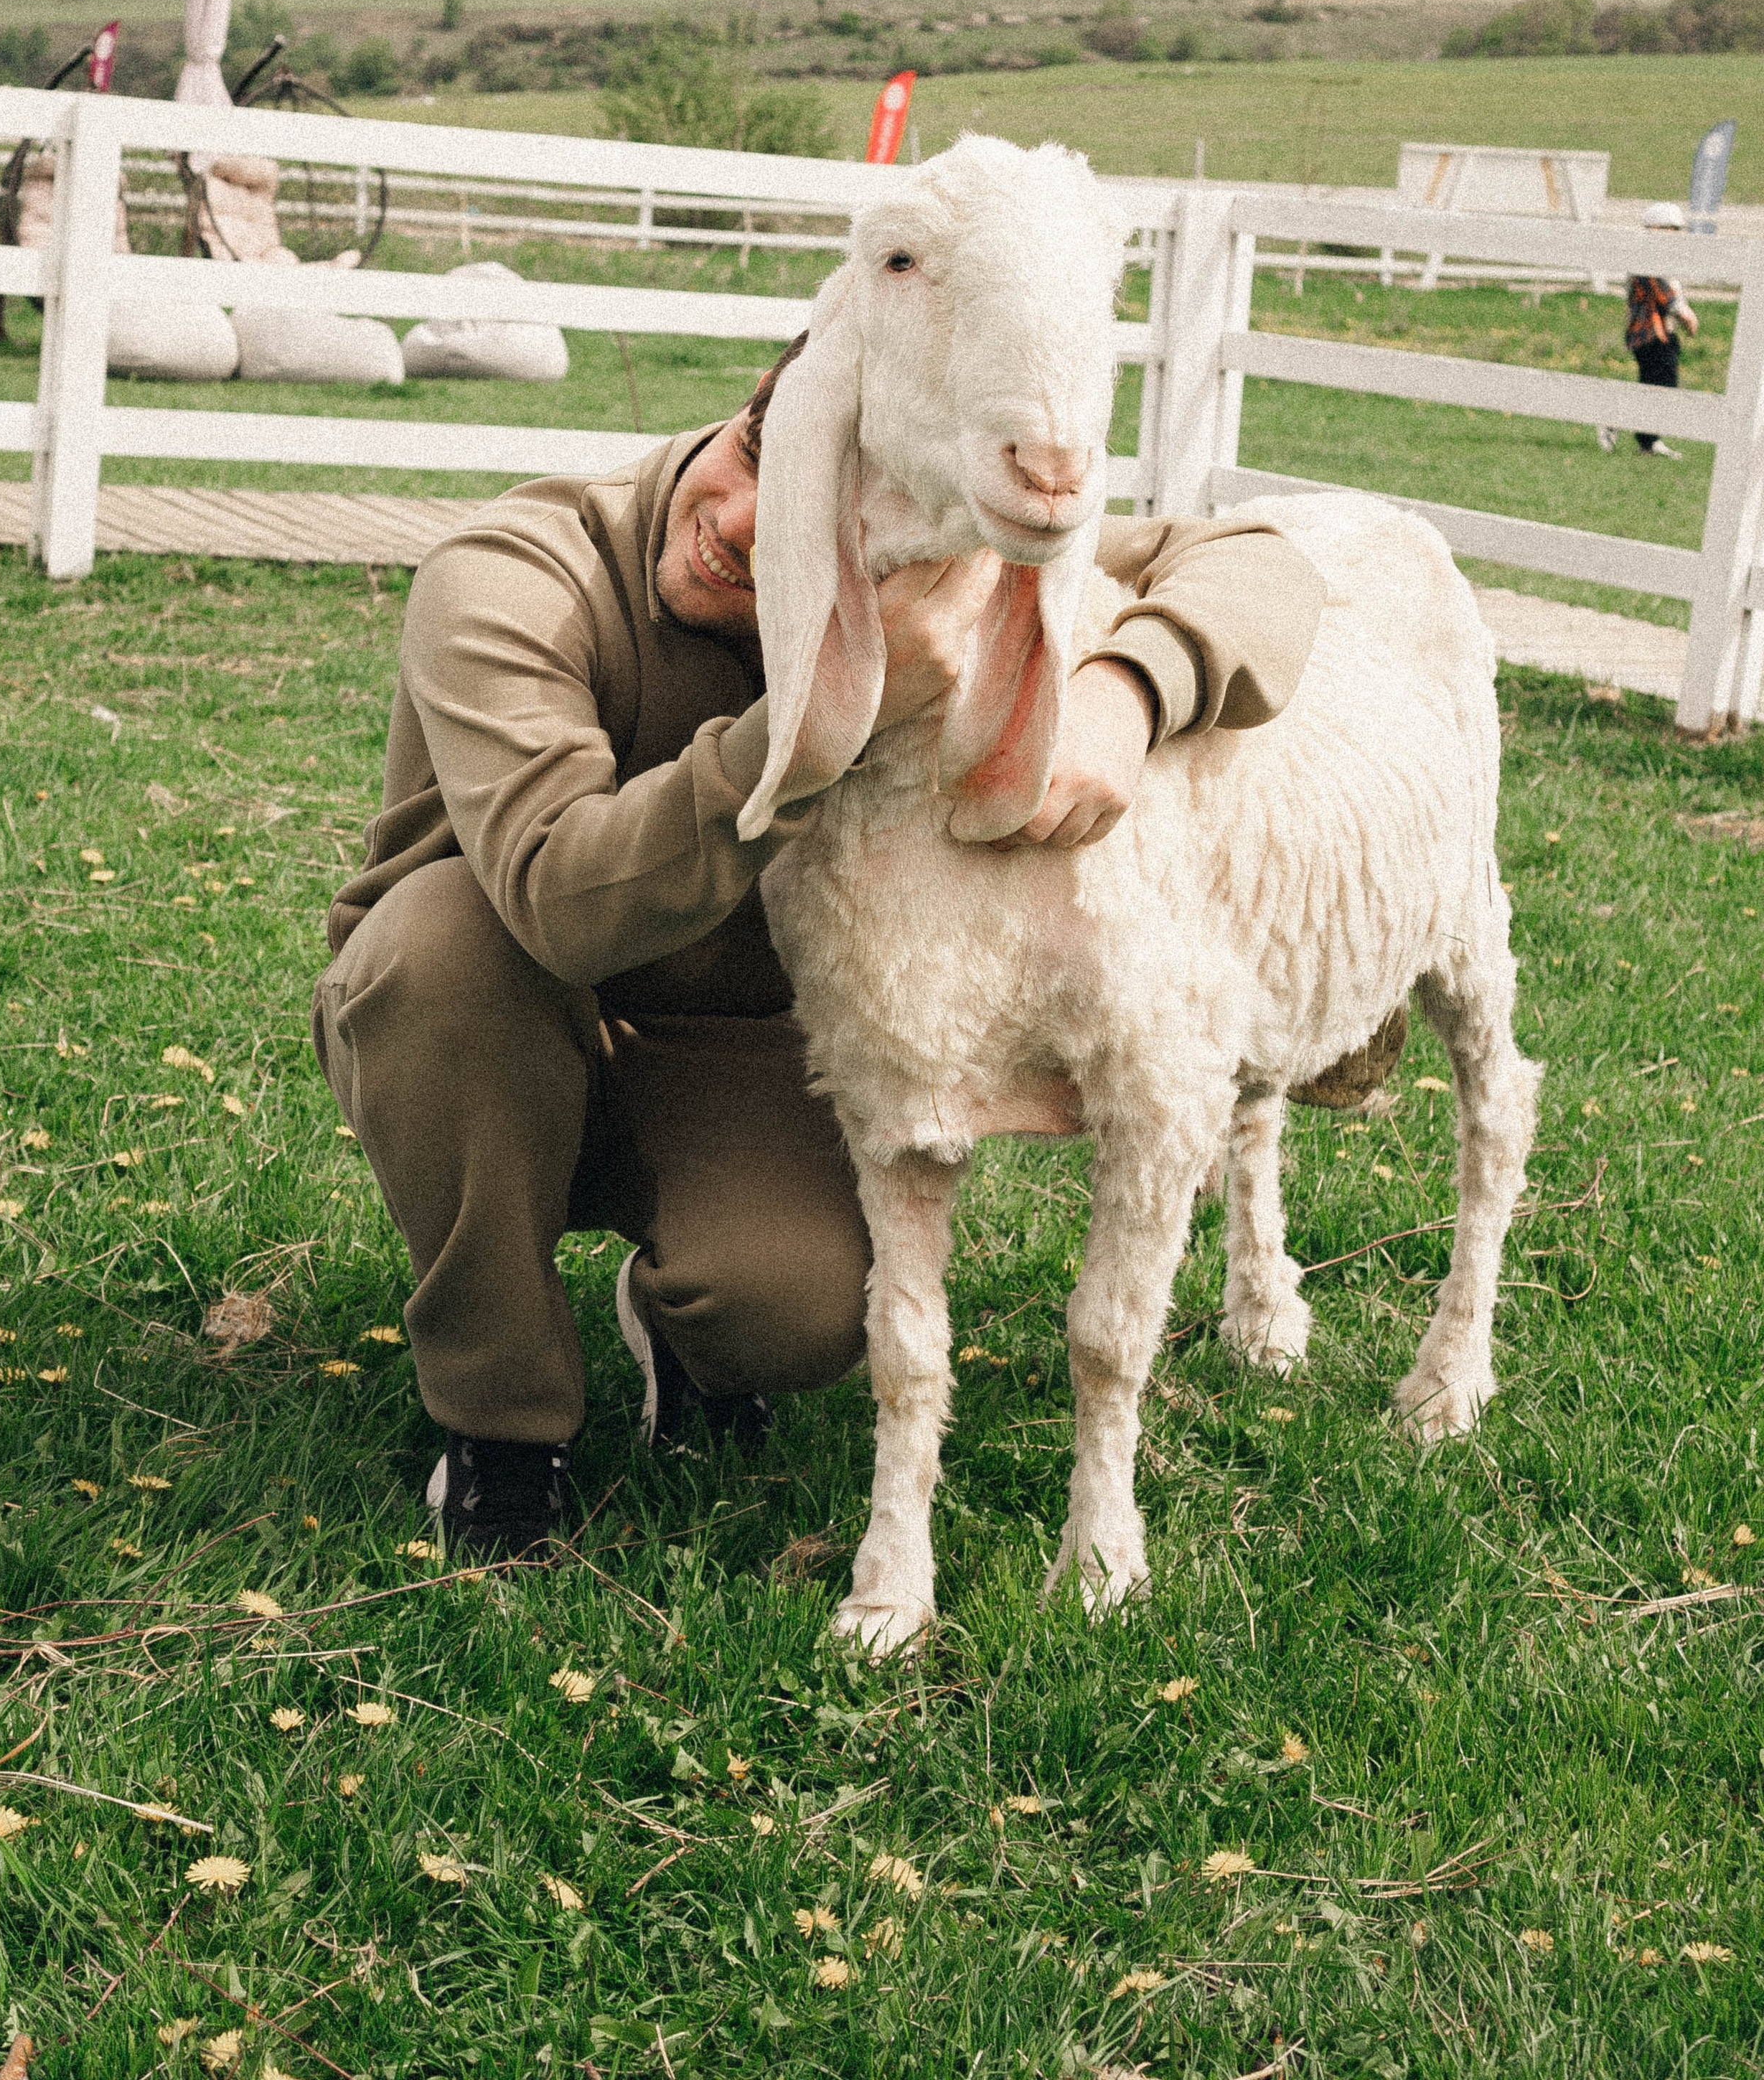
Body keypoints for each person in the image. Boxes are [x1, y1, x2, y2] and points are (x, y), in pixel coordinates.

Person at [311, 341, 1327, 1558]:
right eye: (756, 456)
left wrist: (1128, 684)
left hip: (739, 1049)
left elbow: (1263, 570)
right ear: (752, 407)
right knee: (440, 943)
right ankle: (502, 1426)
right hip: (497, 1014)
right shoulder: (513, 574)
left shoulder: (926, 563)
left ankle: (682, 1324)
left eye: (811, 531)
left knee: (793, 1314)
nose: (741, 526)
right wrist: (827, 720)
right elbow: (558, 899)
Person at [1597, 202, 1699, 459]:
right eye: (1670, 229)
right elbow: (1662, 291)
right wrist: (1684, 312)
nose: (1675, 235)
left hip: (1662, 332)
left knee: (1657, 386)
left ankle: (1649, 441)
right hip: (1648, 333)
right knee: (1658, 386)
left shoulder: (1661, 256)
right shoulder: (1645, 255)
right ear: (1655, 228)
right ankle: (1624, 426)